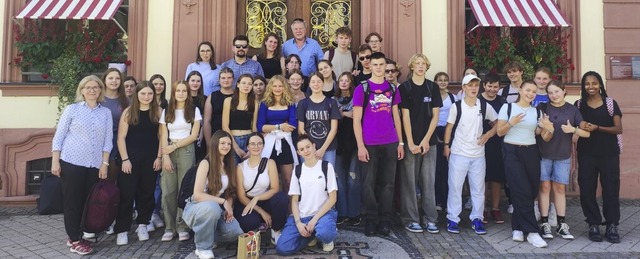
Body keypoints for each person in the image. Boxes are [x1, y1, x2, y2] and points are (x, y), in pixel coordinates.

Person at [51, 75, 112, 255]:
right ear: (82, 90)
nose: (92, 90)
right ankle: (75, 239)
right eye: (88, 87)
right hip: (72, 162)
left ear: (100, 90)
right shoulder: (72, 110)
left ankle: (76, 235)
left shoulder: (105, 113)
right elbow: (59, 137)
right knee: (72, 202)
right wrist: (55, 161)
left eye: (95, 87)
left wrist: (105, 164)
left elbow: (108, 141)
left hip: (94, 165)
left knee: (87, 202)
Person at [353, 52, 404, 236]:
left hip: (390, 142)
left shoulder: (392, 88)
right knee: (368, 183)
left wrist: (401, 143)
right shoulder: (362, 88)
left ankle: (385, 220)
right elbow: (356, 119)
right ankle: (371, 220)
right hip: (369, 143)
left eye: (381, 64)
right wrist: (360, 145)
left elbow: (396, 117)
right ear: (370, 66)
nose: (379, 67)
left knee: (388, 184)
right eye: (375, 64)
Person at [497, 80, 551, 248]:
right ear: (520, 90)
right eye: (528, 90)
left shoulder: (537, 111)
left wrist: (543, 127)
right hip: (512, 151)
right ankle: (533, 232)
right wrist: (511, 122)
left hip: (531, 151)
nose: (530, 93)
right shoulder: (508, 107)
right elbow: (499, 132)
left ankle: (517, 227)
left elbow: (536, 133)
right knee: (521, 190)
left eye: (534, 91)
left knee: (531, 190)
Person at [443, 74, 497, 235]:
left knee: (478, 189)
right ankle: (453, 219)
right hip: (459, 153)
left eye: (475, 85)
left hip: (478, 155)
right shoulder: (456, 106)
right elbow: (449, 128)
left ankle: (477, 219)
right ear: (464, 88)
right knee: (455, 187)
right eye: (470, 85)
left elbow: (497, 123)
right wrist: (446, 146)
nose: (473, 88)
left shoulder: (484, 106)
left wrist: (487, 135)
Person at [536, 80, 589, 240]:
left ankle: (561, 224)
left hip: (563, 154)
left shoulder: (572, 110)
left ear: (564, 91)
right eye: (550, 93)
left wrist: (573, 129)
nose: (554, 95)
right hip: (544, 153)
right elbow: (536, 131)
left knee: (559, 189)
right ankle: (544, 222)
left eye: (557, 91)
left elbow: (586, 133)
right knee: (544, 187)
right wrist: (543, 125)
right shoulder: (542, 108)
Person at [575, 71, 623, 243]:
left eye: (594, 83)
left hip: (609, 153)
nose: (591, 87)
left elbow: (618, 129)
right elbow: (576, 126)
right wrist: (582, 127)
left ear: (600, 84)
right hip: (586, 153)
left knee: (611, 189)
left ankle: (612, 225)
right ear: (583, 86)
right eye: (587, 84)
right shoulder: (579, 104)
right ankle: (593, 223)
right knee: (587, 189)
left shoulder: (610, 103)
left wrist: (597, 128)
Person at [398, 54, 442, 234]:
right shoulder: (405, 87)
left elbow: (436, 116)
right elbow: (405, 117)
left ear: (427, 66)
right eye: (417, 63)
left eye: (423, 63)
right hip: (411, 143)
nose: (420, 66)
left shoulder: (432, 87)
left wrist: (425, 140)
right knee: (409, 182)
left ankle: (431, 218)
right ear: (412, 66)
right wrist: (410, 142)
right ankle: (411, 219)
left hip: (429, 143)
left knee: (428, 182)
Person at [182, 130, 244, 259]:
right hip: (196, 207)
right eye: (222, 143)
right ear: (215, 143)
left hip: (216, 209)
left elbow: (230, 193)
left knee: (234, 232)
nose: (226, 146)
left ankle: (206, 234)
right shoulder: (206, 163)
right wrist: (223, 202)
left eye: (228, 143)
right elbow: (198, 194)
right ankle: (202, 248)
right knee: (212, 207)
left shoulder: (229, 165)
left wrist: (229, 208)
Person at [114, 81, 162, 245]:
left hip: (151, 159)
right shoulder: (129, 112)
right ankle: (122, 229)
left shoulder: (158, 112)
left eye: (150, 94)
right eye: (143, 93)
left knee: (147, 193)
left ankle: (143, 224)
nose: (146, 97)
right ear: (137, 95)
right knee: (126, 194)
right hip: (130, 159)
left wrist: (159, 157)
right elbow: (121, 138)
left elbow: (161, 137)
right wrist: (125, 159)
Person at [276, 135, 338, 255]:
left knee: (325, 233)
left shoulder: (326, 167)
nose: (306, 151)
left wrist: (314, 220)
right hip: (302, 215)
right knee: (282, 248)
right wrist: (299, 223)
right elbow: (294, 200)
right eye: (302, 149)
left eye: (308, 146)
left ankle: (324, 235)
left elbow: (333, 198)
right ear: (298, 152)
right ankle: (310, 235)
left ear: (314, 146)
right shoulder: (298, 170)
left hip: (322, 215)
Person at [160, 80, 202, 242]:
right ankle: (169, 227)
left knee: (183, 190)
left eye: (184, 90)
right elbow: (163, 135)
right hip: (168, 150)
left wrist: (175, 147)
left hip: (186, 150)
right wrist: (165, 155)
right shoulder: (167, 111)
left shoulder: (193, 110)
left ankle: (182, 226)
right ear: (173, 93)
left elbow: (194, 135)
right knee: (168, 190)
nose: (181, 93)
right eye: (178, 91)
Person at [234, 133, 288, 241]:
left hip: (265, 199)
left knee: (281, 198)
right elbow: (241, 196)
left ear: (263, 146)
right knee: (249, 222)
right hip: (247, 202)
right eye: (252, 144)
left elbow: (275, 188)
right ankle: (258, 226)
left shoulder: (270, 163)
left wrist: (257, 198)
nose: (256, 147)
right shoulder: (240, 167)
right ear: (247, 147)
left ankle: (276, 230)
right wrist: (261, 211)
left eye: (259, 144)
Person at [257, 75, 298, 194]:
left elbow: (292, 125)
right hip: (269, 144)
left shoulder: (290, 103)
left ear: (285, 87)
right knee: (269, 181)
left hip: (285, 143)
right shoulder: (265, 104)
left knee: (288, 180)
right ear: (270, 87)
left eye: (280, 86)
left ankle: (290, 210)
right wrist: (279, 127)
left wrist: (270, 127)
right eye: (275, 86)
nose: (277, 88)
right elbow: (260, 126)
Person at [478, 73, 507, 224]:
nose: (492, 90)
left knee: (496, 179)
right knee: (481, 179)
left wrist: (496, 126)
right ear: (484, 85)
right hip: (478, 144)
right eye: (490, 86)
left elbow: (504, 123)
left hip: (496, 144)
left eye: (496, 87)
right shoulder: (477, 100)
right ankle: (481, 209)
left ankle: (495, 209)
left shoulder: (502, 101)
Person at [333, 72, 361, 225]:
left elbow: (359, 115)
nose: (343, 83)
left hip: (355, 143)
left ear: (351, 83)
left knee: (353, 179)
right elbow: (332, 115)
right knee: (340, 180)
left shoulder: (358, 98)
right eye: (341, 80)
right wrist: (344, 113)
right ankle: (342, 212)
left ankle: (354, 213)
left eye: (347, 80)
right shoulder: (333, 100)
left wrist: (344, 114)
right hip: (337, 144)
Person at [297, 71, 340, 166]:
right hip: (308, 149)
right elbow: (301, 129)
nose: (316, 84)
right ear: (309, 84)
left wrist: (323, 149)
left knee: (327, 177)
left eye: (319, 81)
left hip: (328, 148)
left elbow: (334, 129)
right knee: (309, 177)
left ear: (323, 83)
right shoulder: (303, 103)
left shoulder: (331, 103)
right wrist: (310, 148)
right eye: (313, 82)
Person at [222, 74, 258, 164]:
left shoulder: (254, 103)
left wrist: (252, 146)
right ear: (238, 84)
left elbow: (254, 127)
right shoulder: (228, 101)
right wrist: (236, 148)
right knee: (233, 170)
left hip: (248, 140)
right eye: (244, 83)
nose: (246, 86)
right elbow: (225, 126)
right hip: (233, 139)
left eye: (250, 84)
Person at [101, 68, 129, 183]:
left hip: (117, 142)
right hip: (98, 140)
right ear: (104, 80)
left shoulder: (126, 101)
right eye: (111, 78)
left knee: (111, 177)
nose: (114, 81)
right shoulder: (98, 98)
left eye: (117, 78)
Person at [434, 72, 456, 211]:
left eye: (445, 80)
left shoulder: (453, 98)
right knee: (437, 169)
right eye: (440, 80)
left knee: (448, 168)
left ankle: (447, 199)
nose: (442, 82)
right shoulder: (432, 97)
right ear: (435, 82)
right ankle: (437, 200)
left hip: (448, 132)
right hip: (435, 131)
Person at [204, 68, 235, 146]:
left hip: (235, 137)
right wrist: (209, 143)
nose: (226, 80)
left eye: (229, 78)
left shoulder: (238, 96)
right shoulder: (212, 96)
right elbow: (207, 121)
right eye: (223, 78)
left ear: (233, 79)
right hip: (216, 136)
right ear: (219, 80)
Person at [188, 71, 207, 162]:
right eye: (193, 80)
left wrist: (201, 135)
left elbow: (204, 120)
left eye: (198, 81)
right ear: (188, 82)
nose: (195, 83)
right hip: (185, 135)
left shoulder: (205, 99)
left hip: (200, 135)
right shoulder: (183, 97)